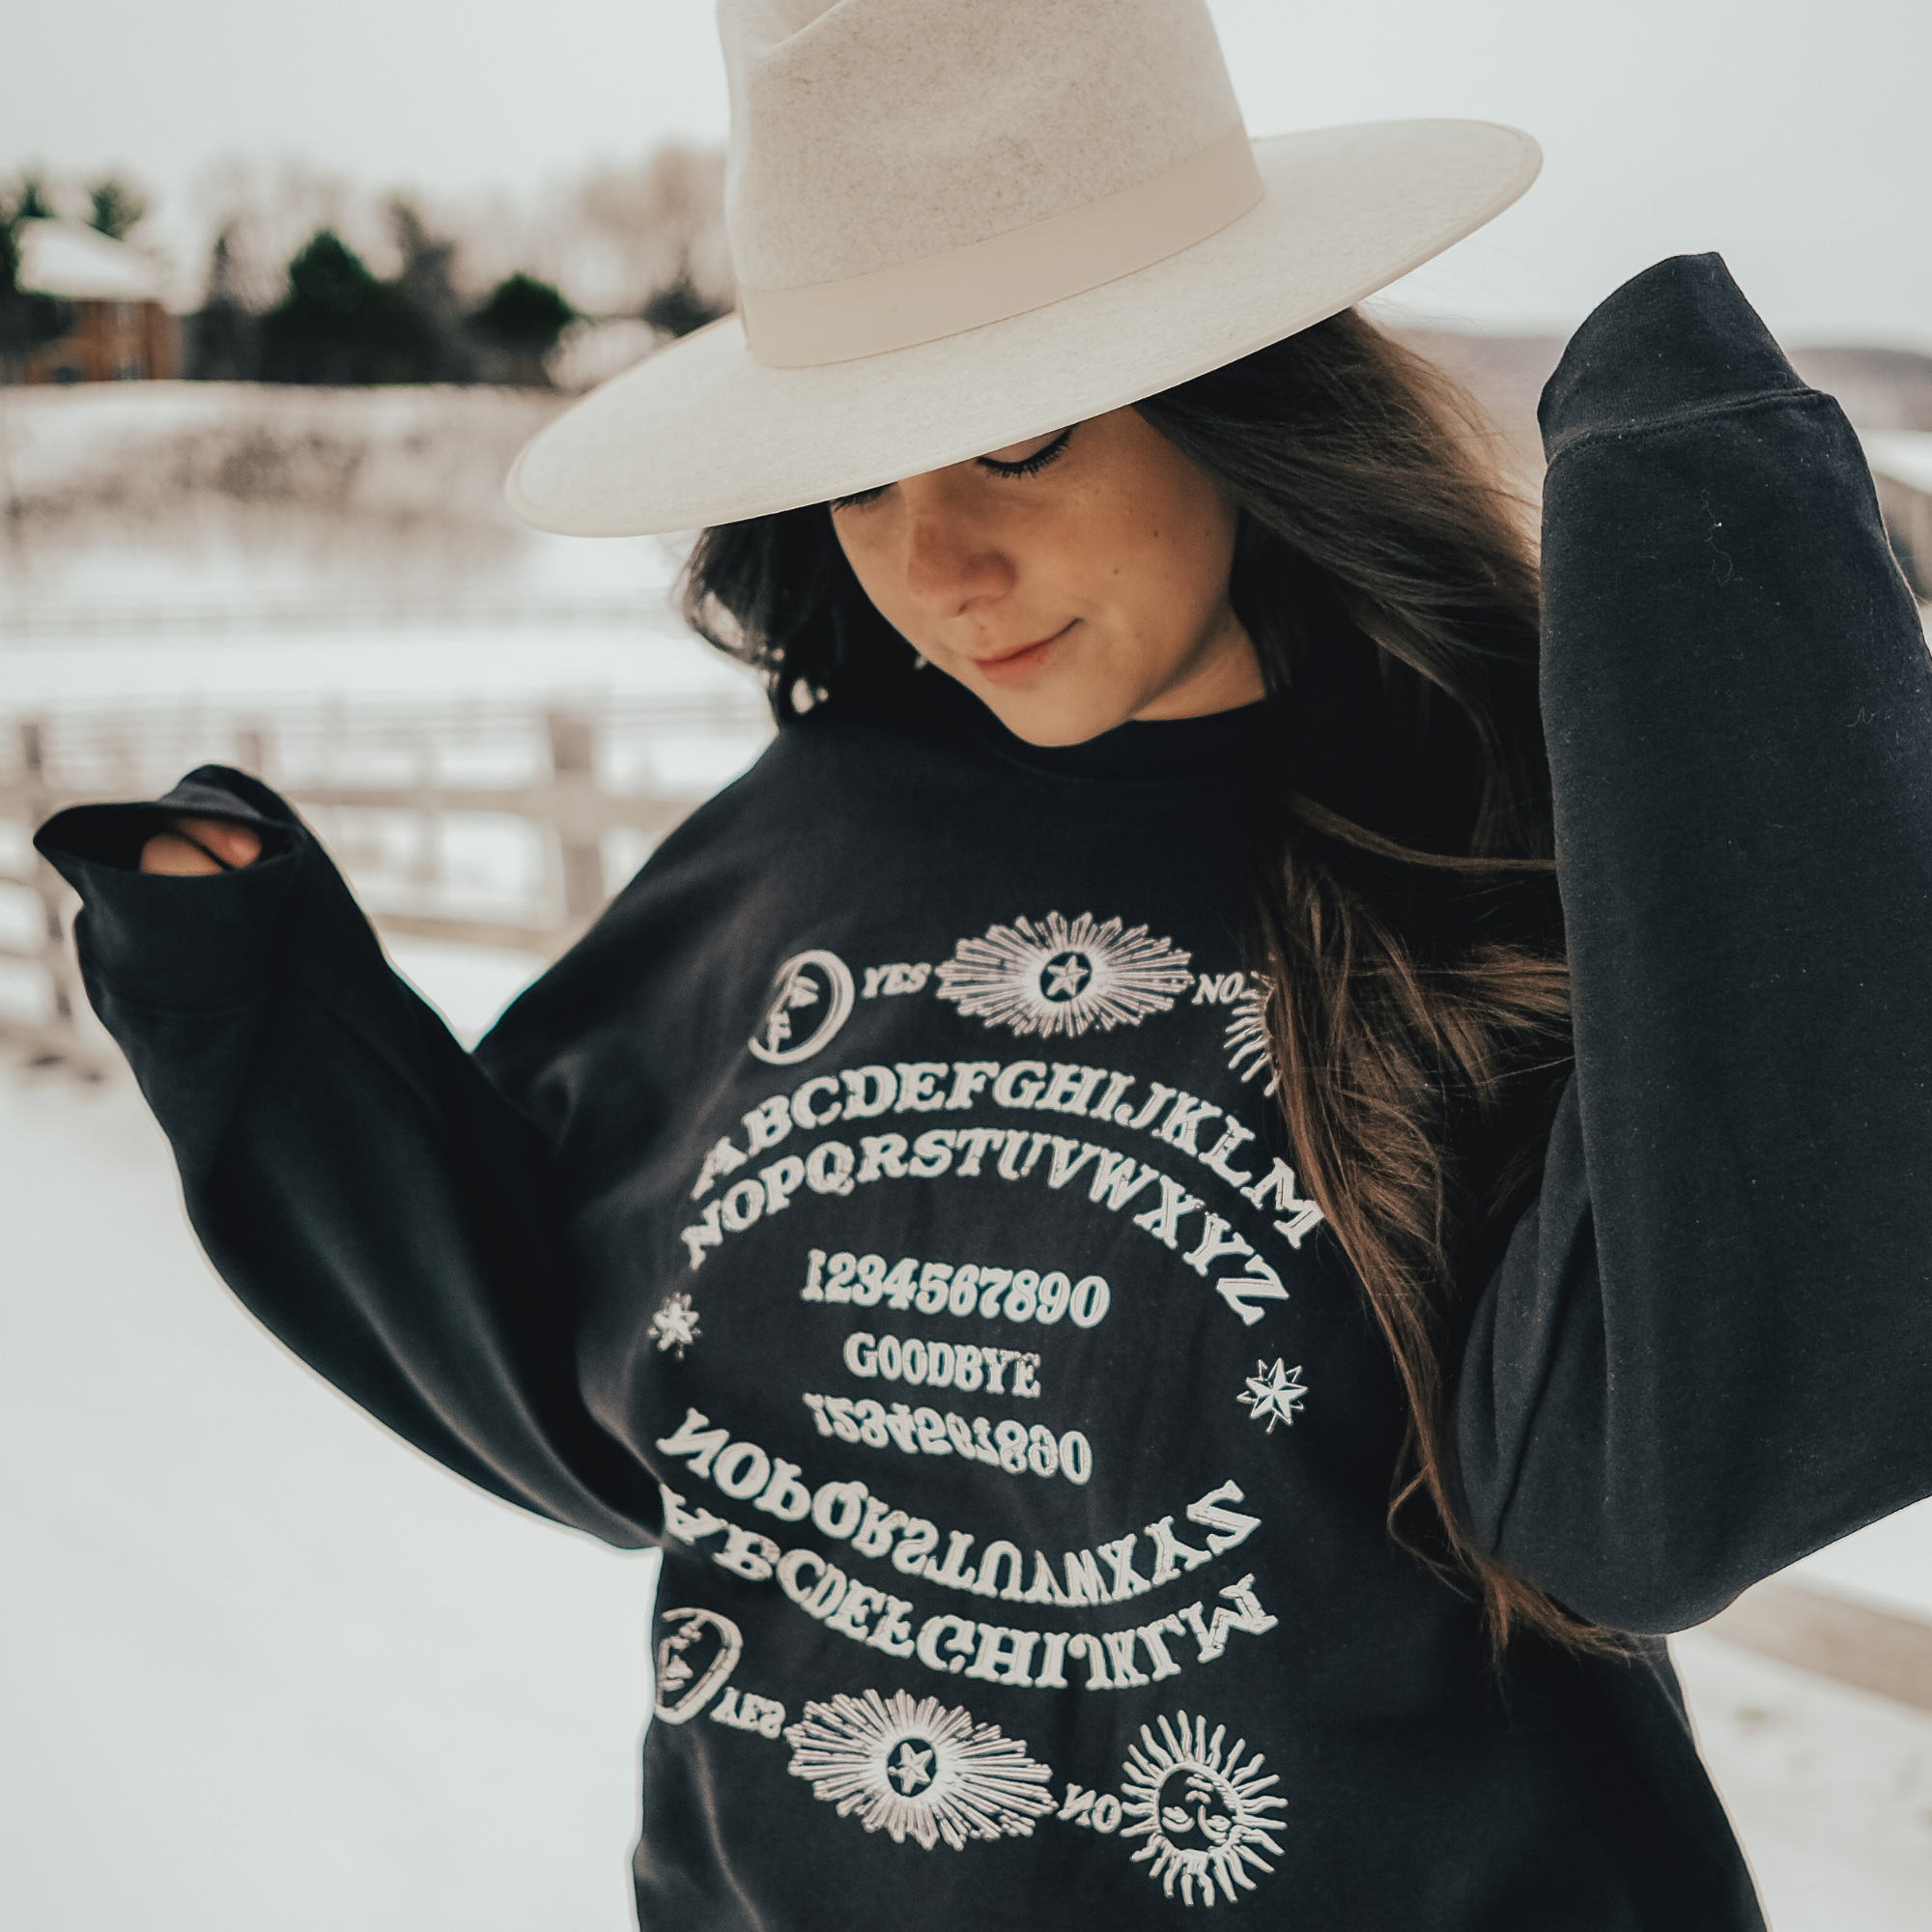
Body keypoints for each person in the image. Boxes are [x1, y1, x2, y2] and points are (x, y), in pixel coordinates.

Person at [36, 3, 1932, 1927]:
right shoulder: (813, 839)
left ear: (1236, 395)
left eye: (1015, 444)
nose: (935, 564)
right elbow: (566, 1355)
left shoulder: (1493, 835)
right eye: (859, 476)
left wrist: (1731, 592)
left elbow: (1656, 1486)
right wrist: (251, 990)